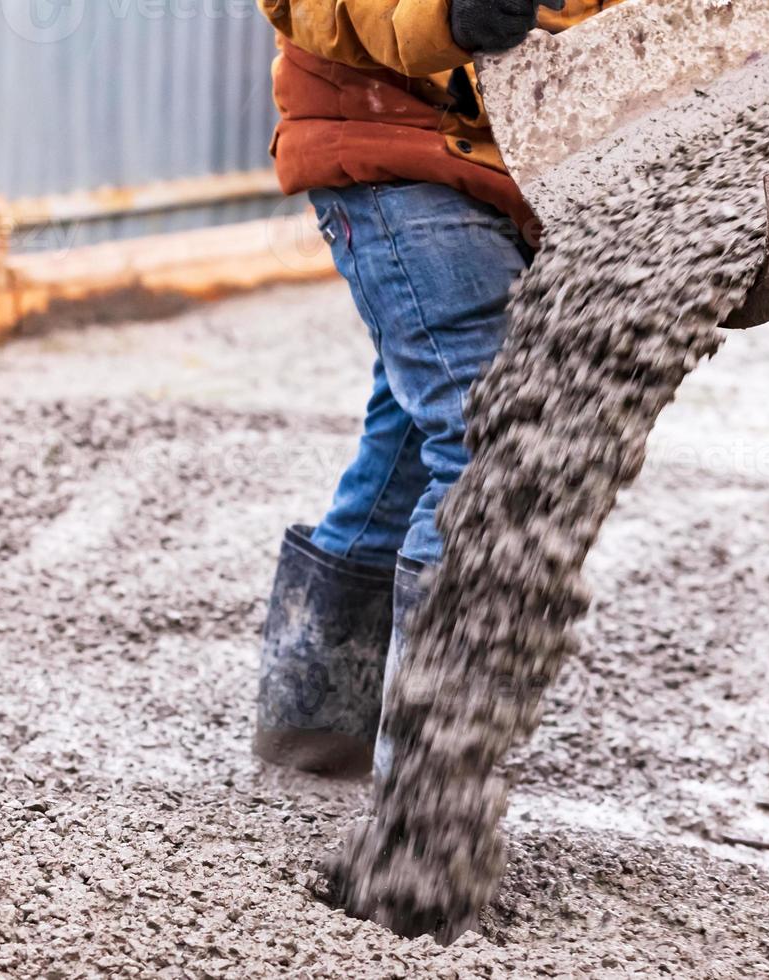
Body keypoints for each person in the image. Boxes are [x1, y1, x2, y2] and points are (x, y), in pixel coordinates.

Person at [252, 0, 615, 776]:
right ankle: (425, 818)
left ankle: (317, 730)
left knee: (415, 438)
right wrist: (449, 15)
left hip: (525, 167)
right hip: (394, 154)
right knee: (494, 445)